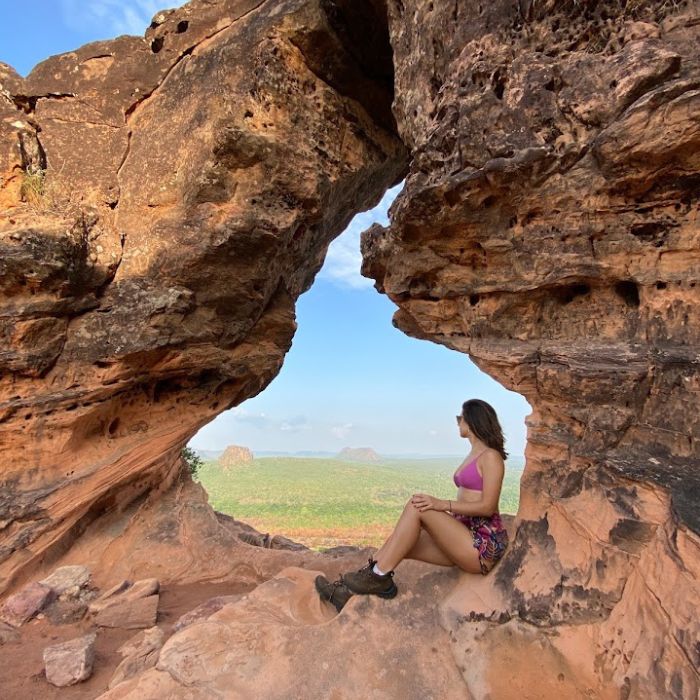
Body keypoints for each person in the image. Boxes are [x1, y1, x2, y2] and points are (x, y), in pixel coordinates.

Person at [315, 399, 510, 610]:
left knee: (418, 505)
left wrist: (440, 504)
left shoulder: (491, 457)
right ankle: (346, 591)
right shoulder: (474, 453)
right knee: (400, 541)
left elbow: (487, 507)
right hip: (462, 537)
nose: (457, 422)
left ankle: (380, 578)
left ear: (472, 420)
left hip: (480, 547)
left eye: (460, 417)